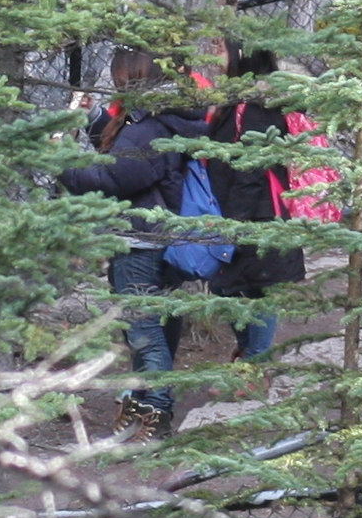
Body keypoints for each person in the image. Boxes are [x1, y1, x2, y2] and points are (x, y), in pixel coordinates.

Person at [55, 43, 302, 439]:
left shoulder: (152, 127)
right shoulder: (170, 119)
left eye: (118, 76)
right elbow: (132, 159)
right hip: (161, 240)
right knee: (159, 326)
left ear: (133, 78)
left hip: (139, 241)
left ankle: (156, 418)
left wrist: (57, 161)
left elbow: (113, 178)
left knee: (144, 331)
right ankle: (140, 410)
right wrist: (95, 118)